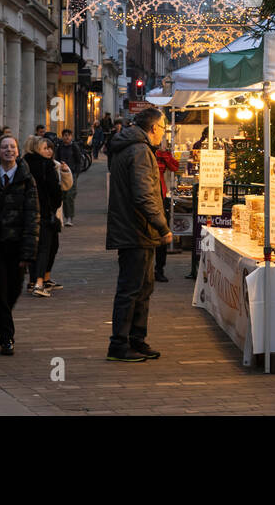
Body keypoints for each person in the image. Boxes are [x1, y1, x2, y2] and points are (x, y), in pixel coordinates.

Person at [105, 107, 171, 362]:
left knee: (142, 287)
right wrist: (162, 227)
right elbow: (144, 194)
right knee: (132, 288)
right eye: (163, 127)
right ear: (153, 128)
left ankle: (136, 339)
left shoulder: (133, 148)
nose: (164, 133)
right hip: (136, 230)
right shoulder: (140, 151)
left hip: (136, 229)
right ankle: (119, 344)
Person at [0, 134, 39, 355]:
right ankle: (7, 337)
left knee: (14, 291)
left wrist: (29, 251)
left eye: (13, 147)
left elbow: (33, 215)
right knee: (0, 291)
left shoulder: (26, 178)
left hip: (17, 244)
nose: (9, 151)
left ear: (18, 152)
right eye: (4, 147)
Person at [25, 136, 62, 297]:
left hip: (28, 211)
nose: (49, 151)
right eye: (45, 148)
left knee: (37, 247)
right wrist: (54, 205)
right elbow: (55, 191)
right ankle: (39, 282)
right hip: (44, 212)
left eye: (50, 148)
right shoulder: (47, 165)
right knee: (44, 248)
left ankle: (35, 281)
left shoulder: (24, 165)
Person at [154, 136, 179, 282]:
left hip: (161, 196)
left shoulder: (163, 154)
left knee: (162, 234)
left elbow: (175, 167)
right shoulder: (144, 152)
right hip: (147, 195)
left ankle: (159, 269)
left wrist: (164, 153)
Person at [56, 129, 84, 227]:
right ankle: (63, 216)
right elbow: (57, 159)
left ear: (71, 136)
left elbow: (78, 160)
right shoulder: (60, 147)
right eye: (65, 135)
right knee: (63, 195)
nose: (66, 137)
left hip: (72, 174)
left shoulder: (74, 146)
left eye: (68, 135)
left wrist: (76, 172)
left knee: (70, 195)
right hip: (62, 173)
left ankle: (69, 217)